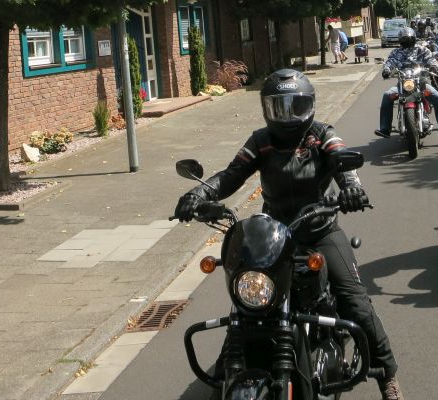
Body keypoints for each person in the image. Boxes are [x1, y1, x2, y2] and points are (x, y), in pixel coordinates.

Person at [174, 69, 406, 400]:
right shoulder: (260, 141)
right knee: (248, 305)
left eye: (294, 106)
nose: (286, 116)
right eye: (278, 107)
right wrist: (201, 193)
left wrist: (352, 189)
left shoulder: (321, 134)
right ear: (266, 109)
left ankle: (387, 375)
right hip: (275, 237)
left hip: (319, 229)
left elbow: (343, 162)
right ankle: (229, 371)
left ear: (308, 105)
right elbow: (231, 174)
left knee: (355, 303)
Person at [375, 27, 438, 141]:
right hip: (403, 84)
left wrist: (433, 67)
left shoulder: (422, 50)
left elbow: (431, 59)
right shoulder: (396, 52)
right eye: (405, 39)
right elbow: (390, 62)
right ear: (400, 41)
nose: (407, 42)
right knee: (387, 95)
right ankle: (385, 128)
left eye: (409, 39)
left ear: (414, 39)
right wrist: (386, 70)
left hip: (421, 83)